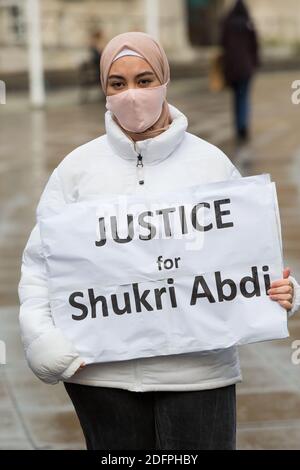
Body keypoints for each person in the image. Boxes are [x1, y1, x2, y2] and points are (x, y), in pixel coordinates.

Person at [18, 32, 300, 451]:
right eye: (118, 83)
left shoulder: (210, 163)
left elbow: (250, 254)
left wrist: (283, 292)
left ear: (164, 82)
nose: (132, 94)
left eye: (145, 80)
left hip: (199, 375)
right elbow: (40, 266)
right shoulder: (75, 171)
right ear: (105, 90)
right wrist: (45, 340)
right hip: (101, 376)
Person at [221, 0, 260, 142]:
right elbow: (255, 46)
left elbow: (222, 44)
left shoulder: (227, 24)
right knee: (244, 97)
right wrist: (254, 64)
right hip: (246, 68)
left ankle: (238, 126)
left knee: (236, 98)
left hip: (232, 68)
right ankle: (243, 125)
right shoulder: (248, 24)